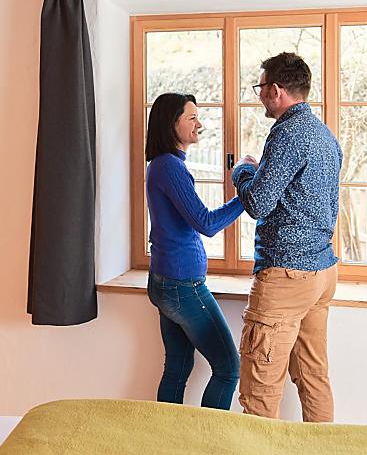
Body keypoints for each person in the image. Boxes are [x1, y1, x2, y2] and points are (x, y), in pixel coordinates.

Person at [232, 52, 342, 422]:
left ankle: (259, 447)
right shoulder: (325, 136)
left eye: (261, 87)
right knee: (314, 378)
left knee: (259, 393)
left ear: (276, 90)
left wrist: (243, 171)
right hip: (322, 272)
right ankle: (323, 448)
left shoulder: (287, 134)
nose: (260, 95)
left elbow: (258, 202)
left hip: (287, 276)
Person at [145, 92, 244, 410]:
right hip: (182, 286)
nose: (199, 124)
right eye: (192, 118)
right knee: (228, 369)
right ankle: (206, 436)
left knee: (177, 368)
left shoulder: (161, 165)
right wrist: (246, 195)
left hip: (165, 282)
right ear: (171, 123)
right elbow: (206, 223)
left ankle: (166, 435)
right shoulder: (170, 167)